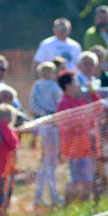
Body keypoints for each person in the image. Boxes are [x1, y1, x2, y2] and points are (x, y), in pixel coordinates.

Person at [56, 70, 99, 202]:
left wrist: (93, 93)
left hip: (86, 148)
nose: (79, 85)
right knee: (76, 181)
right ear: (68, 85)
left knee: (87, 181)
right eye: (76, 82)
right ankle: (68, 206)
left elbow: (98, 109)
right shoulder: (64, 103)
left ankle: (83, 206)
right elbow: (68, 125)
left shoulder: (80, 101)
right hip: (74, 149)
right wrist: (84, 116)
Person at [30, 61, 63, 207]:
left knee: (47, 161)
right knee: (51, 161)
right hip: (52, 125)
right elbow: (60, 102)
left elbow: (33, 105)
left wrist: (42, 115)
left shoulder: (36, 86)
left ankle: (39, 195)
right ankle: (53, 194)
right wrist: (51, 115)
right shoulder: (54, 86)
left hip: (43, 124)